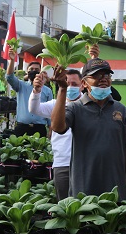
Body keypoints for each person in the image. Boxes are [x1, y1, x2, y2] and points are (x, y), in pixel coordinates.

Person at [51, 58, 126, 202]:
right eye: (96, 76)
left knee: (113, 224)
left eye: (107, 75)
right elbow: (57, 127)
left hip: (115, 187)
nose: (103, 79)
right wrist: (62, 89)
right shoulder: (75, 108)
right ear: (84, 83)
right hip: (84, 187)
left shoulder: (120, 109)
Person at [29, 68, 84, 201]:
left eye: (74, 84)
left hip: (83, 164)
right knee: (64, 204)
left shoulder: (88, 105)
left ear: (82, 85)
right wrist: (36, 91)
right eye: (66, 83)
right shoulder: (56, 105)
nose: (70, 87)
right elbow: (34, 109)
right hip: (62, 163)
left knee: (84, 204)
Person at [6, 47, 53, 137]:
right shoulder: (20, 86)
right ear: (27, 72)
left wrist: (50, 129)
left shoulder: (47, 91)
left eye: (36, 70)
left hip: (39, 128)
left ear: (40, 72)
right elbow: (9, 77)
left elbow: (50, 112)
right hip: (22, 128)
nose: (34, 71)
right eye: (31, 69)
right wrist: (12, 60)